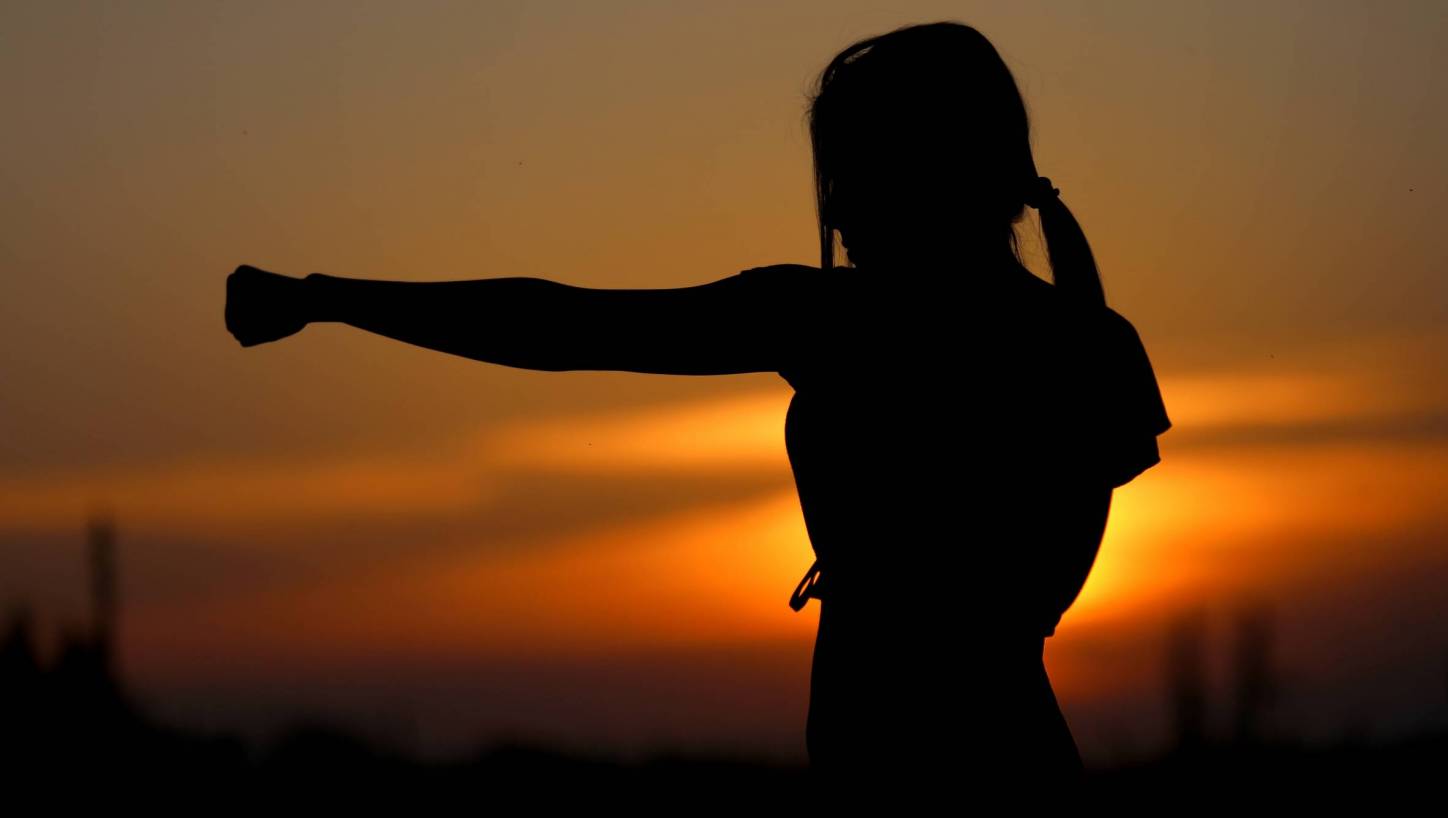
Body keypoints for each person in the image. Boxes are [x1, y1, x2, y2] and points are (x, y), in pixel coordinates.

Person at [224, 20, 1171, 797]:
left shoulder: (838, 326)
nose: (836, 210)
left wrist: (329, 298)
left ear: (927, 167)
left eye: (854, 172)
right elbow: (1039, 587)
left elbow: (565, 328)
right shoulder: (1090, 345)